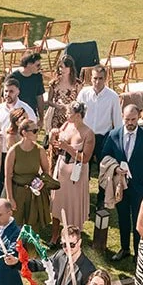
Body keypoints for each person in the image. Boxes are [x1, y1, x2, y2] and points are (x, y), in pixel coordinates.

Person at [99, 103, 143, 264]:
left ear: (139, 116)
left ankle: (139, 252)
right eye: (127, 119)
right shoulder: (114, 134)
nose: (130, 122)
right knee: (123, 218)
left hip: (139, 186)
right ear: (122, 117)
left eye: (133, 119)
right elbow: (104, 155)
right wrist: (116, 168)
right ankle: (124, 248)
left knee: (139, 221)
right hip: (120, 185)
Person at [47, 101, 94, 245]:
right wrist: (52, 136)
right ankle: (54, 236)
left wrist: (67, 147)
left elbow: (85, 158)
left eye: (69, 113)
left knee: (73, 205)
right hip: (61, 169)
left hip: (76, 174)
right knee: (57, 203)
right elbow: (56, 145)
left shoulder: (88, 133)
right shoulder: (67, 125)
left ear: (78, 115)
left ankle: (73, 238)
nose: (66, 115)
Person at [4, 117, 56, 241]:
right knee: (15, 225)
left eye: (37, 130)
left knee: (33, 226)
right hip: (17, 191)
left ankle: (32, 254)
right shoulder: (13, 151)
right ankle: (15, 252)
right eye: (34, 131)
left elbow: (46, 172)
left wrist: (41, 182)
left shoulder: (40, 150)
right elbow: (8, 176)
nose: (37, 133)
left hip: (34, 193)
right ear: (24, 133)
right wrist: (10, 198)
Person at [77, 67, 122, 200]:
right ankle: (83, 197)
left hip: (103, 138)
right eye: (95, 78)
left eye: (100, 78)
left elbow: (117, 122)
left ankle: (102, 198)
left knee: (104, 169)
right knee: (84, 168)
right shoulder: (84, 93)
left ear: (105, 79)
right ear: (91, 78)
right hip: (85, 136)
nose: (97, 82)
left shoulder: (112, 96)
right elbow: (77, 114)